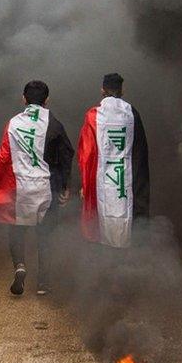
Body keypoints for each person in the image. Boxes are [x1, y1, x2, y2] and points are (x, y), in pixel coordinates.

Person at [0, 80, 74, 295]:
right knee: (45, 235)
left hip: (19, 188)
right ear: (47, 100)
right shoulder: (54, 123)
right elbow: (66, 154)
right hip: (47, 188)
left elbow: (3, 157)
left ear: (23, 99)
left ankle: (20, 266)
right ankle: (43, 283)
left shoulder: (13, 123)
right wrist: (65, 185)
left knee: (16, 230)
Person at [77, 73, 150, 248]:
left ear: (102, 89)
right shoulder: (132, 113)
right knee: (126, 226)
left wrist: (85, 185)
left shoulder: (93, 115)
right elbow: (141, 153)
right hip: (127, 182)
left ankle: (106, 267)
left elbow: (86, 154)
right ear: (122, 90)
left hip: (102, 182)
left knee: (102, 227)